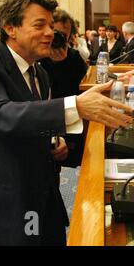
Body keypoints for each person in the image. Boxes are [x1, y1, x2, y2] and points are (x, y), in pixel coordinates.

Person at [0, 0, 132, 246]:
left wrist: (54, 140)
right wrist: (76, 106)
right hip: (1, 204)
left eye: (51, 25)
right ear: (10, 28)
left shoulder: (40, 73)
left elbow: (33, 119)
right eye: (40, 25)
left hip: (42, 196)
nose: (50, 33)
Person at [39, 9, 88, 168]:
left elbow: (79, 87)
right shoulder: (38, 57)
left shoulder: (74, 57)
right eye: (56, 32)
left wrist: (64, 63)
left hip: (70, 118)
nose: (58, 38)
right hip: (45, 119)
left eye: (63, 35)